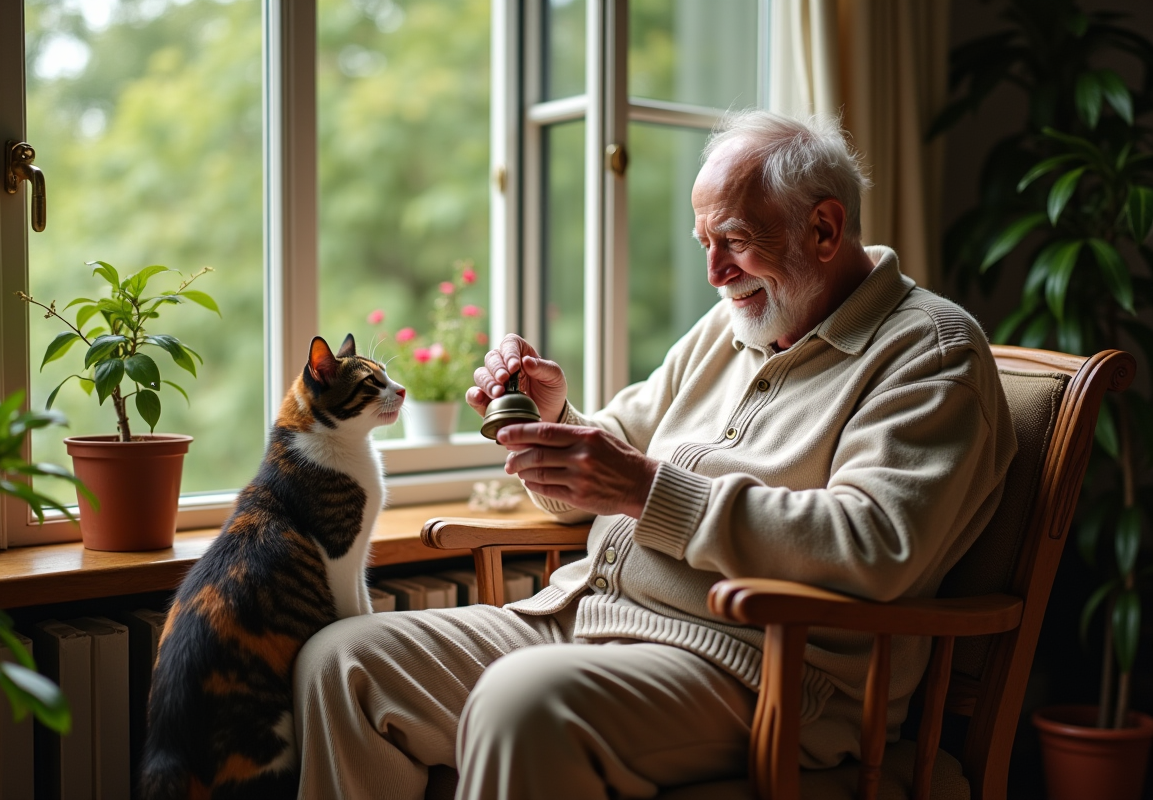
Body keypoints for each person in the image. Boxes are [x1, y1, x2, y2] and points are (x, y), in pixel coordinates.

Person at [293, 109, 1017, 799]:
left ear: (824, 229)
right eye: (704, 242)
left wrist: (645, 491)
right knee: (342, 662)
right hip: (588, 612)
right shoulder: (735, 322)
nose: (715, 272)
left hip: (760, 671)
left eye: (732, 241)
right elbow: (610, 461)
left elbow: (878, 544)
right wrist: (553, 422)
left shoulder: (932, 353)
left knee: (523, 705)